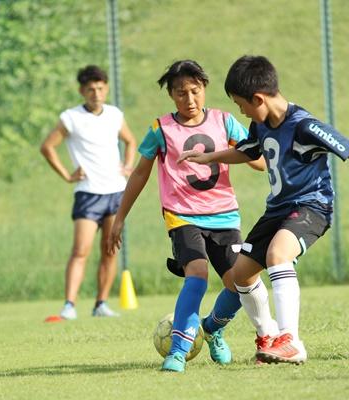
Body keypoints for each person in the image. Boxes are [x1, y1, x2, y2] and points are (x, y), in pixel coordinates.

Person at [178, 55, 349, 364]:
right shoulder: (261, 124)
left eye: (242, 105)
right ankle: (265, 335)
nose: (242, 112)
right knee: (241, 274)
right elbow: (248, 152)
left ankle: (290, 341)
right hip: (277, 210)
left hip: (311, 206)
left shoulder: (304, 126)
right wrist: (210, 158)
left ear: (258, 99)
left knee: (278, 254)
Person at [109, 60, 265, 372]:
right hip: (182, 216)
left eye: (195, 91)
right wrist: (120, 217)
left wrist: (254, 153)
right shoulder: (161, 129)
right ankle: (178, 352)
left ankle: (212, 328)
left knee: (239, 283)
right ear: (171, 95)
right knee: (197, 273)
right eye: (181, 93)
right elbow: (139, 174)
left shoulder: (224, 121)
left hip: (224, 216)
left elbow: (259, 162)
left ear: (204, 88)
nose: (189, 99)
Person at [40, 65, 136, 320]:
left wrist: (128, 166)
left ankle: (100, 304)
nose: (96, 93)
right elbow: (47, 147)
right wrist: (67, 175)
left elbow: (130, 140)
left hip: (116, 192)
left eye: (101, 88)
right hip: (88, 194)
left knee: (110, 250)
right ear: (82, 91)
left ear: (106, 88)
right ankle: (69, 306)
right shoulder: (71, 117)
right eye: (91, 89)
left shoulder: (114, 114)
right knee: (81, 250)